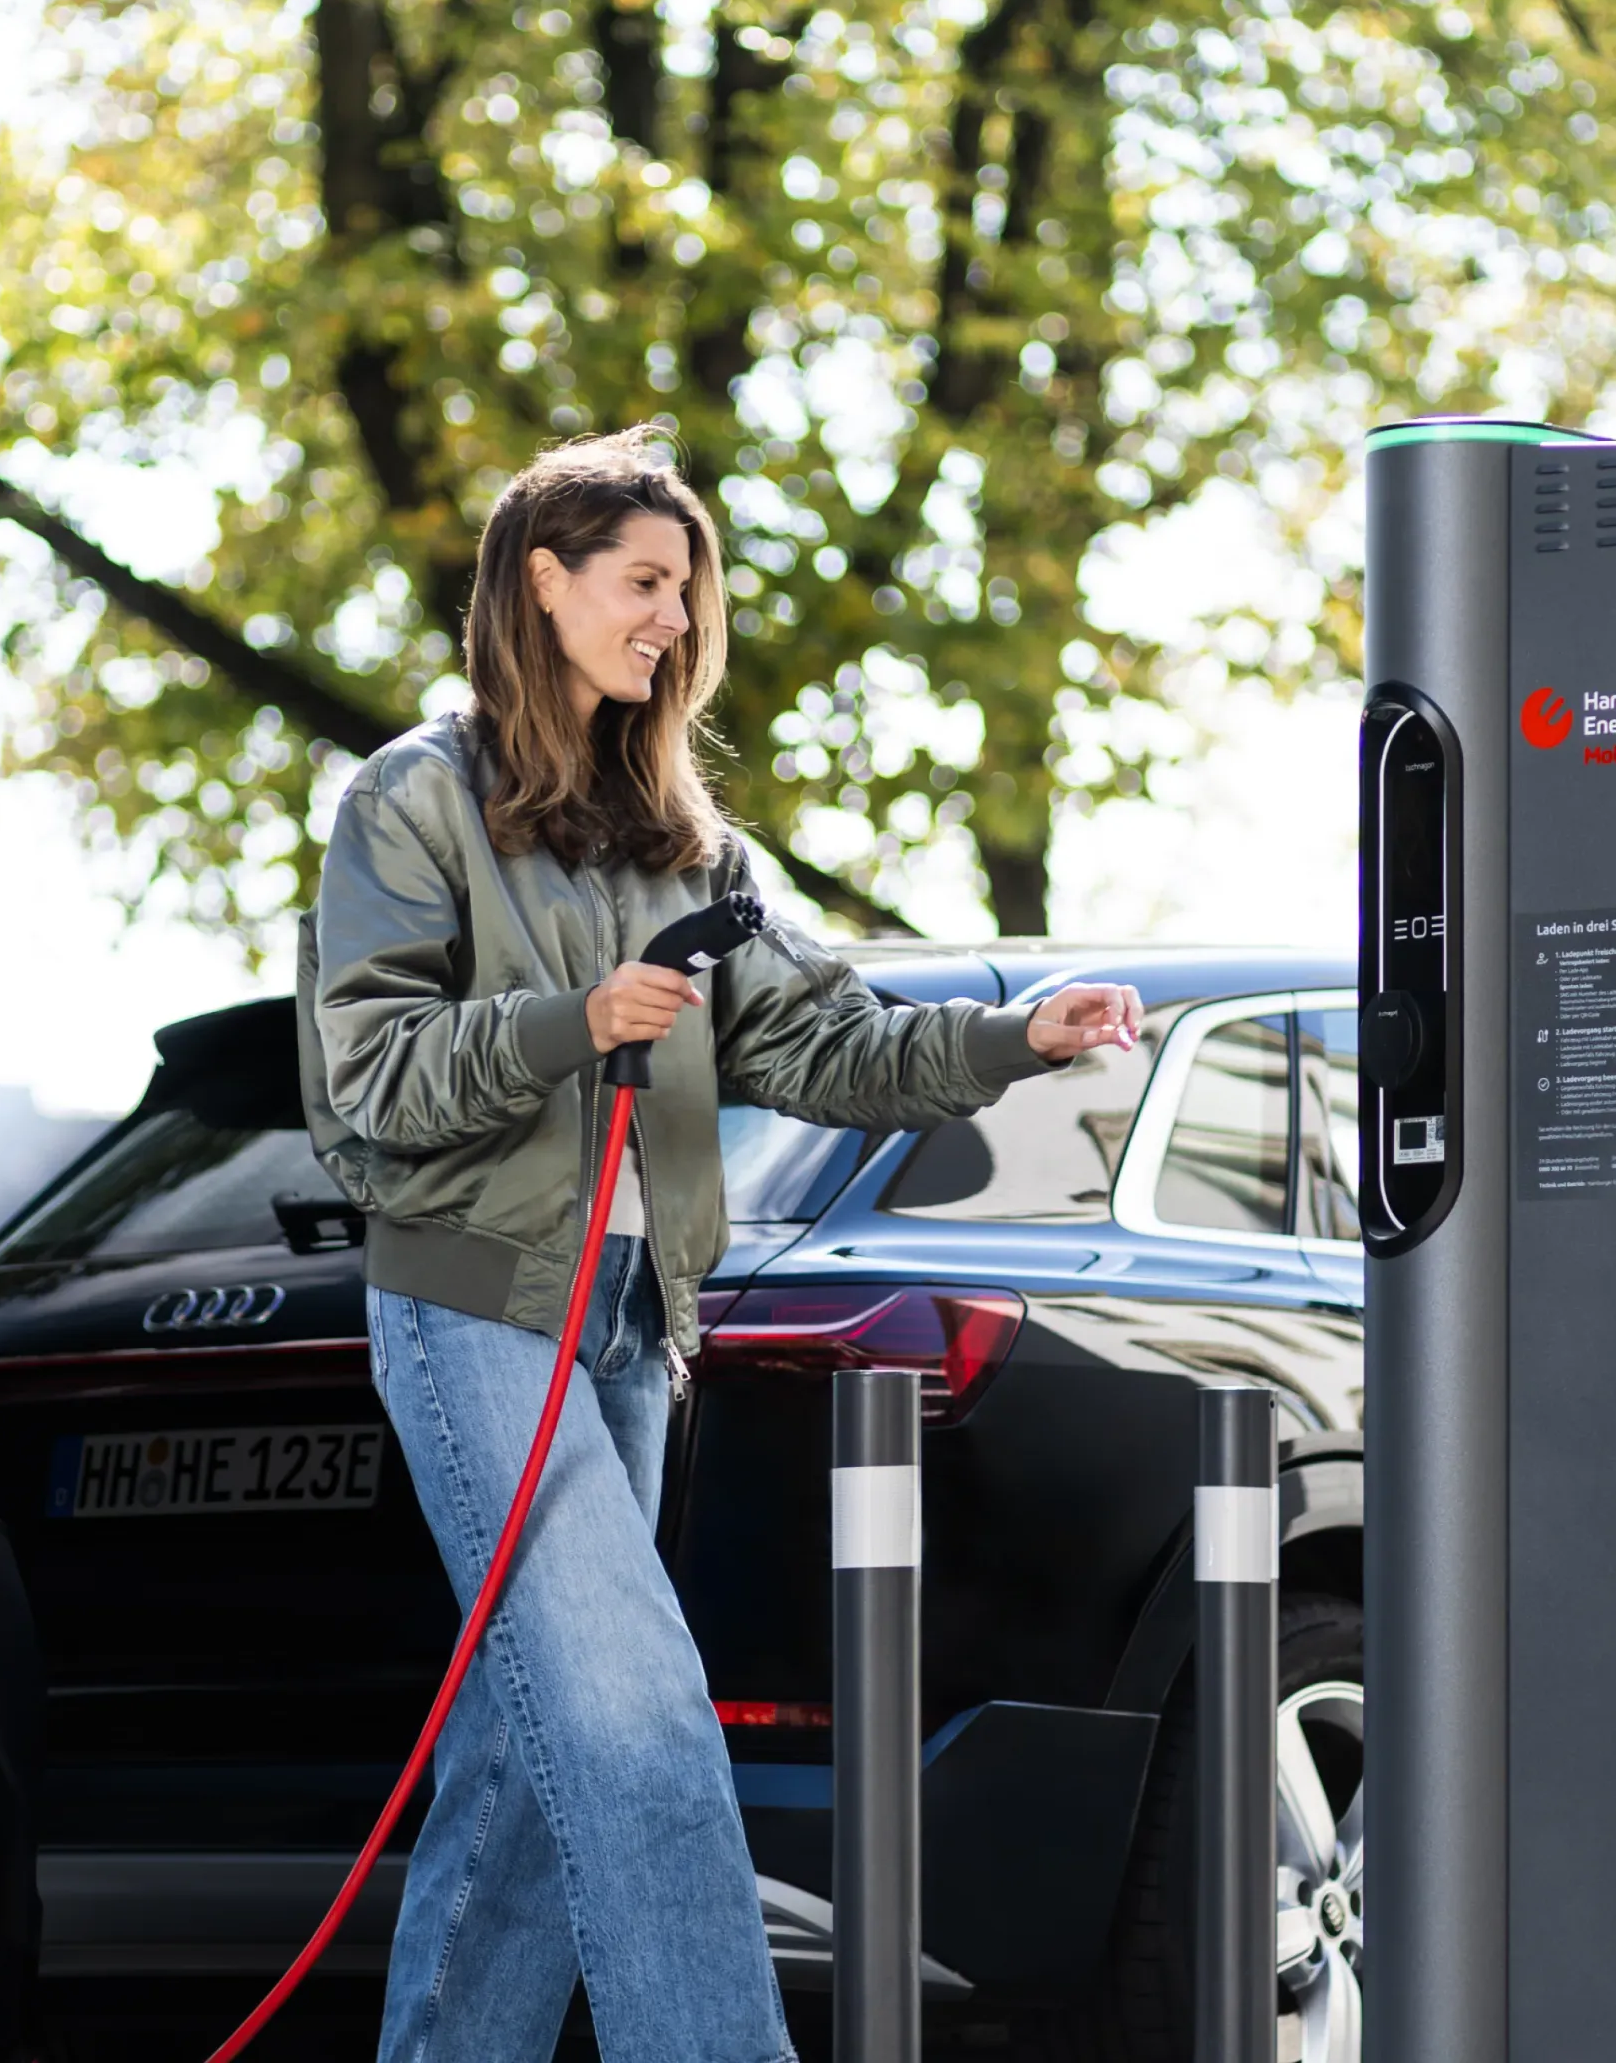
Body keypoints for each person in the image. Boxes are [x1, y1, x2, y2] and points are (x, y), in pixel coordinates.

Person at [296, 426, 1143, 2063]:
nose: (675, 619)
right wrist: (574, 1022)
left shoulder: (682, 838)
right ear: (544, 585)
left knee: (529, 1778)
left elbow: (828, 1048)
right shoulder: (415, 798)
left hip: (628, 1327)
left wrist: (1012, 1038)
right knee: (637, 1727)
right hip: (478, 1313)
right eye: (642, 582)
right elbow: (373, 1081)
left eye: (685, 590)